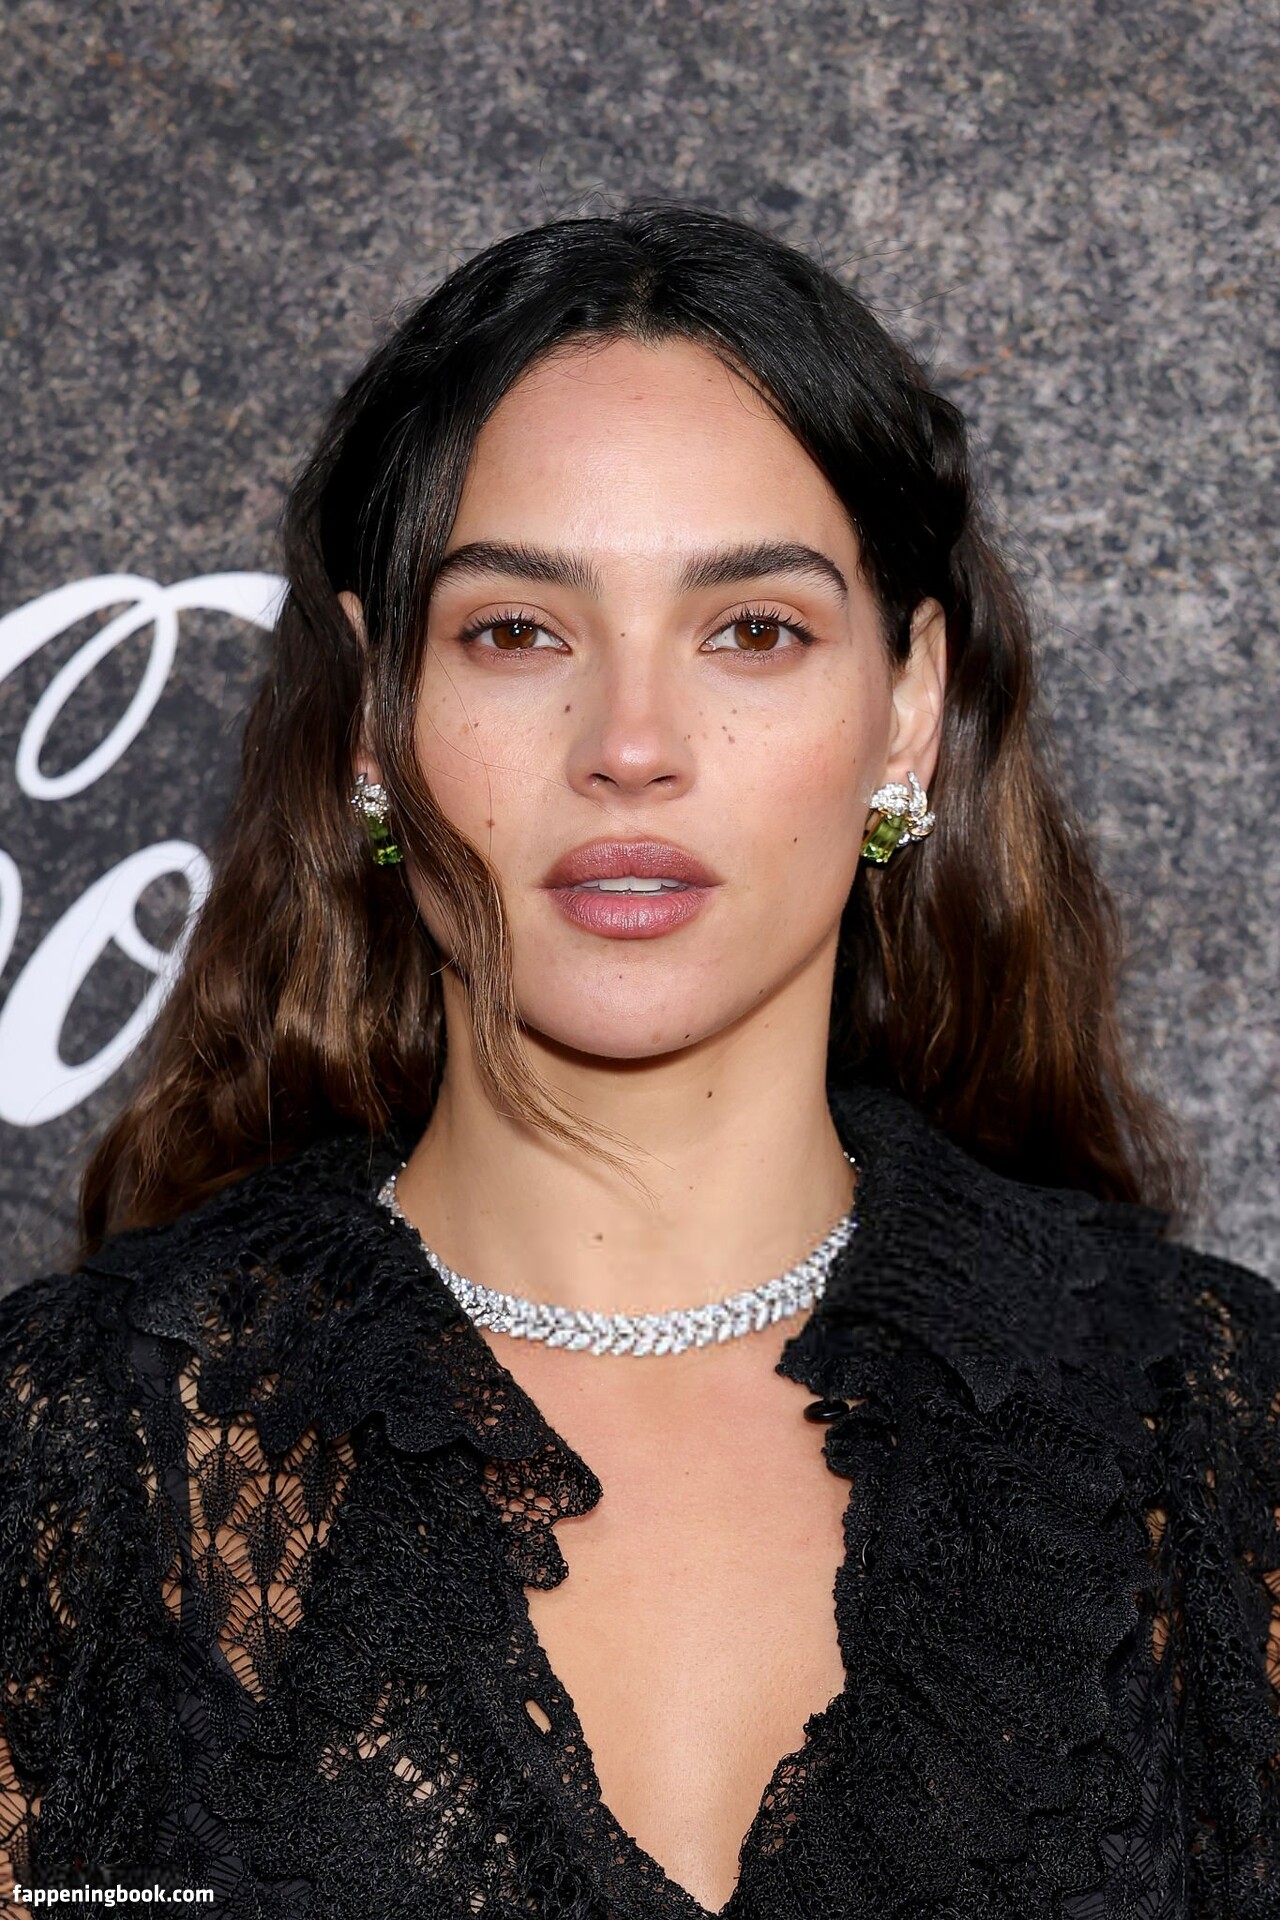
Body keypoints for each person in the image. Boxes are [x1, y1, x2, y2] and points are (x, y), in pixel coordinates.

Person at [1, 203, 1276, 1920]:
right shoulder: (71, 1452)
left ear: (909, 708)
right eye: (516, 632)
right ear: (374, 713)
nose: (630, 746)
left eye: (753, 629)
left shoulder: (1218, 1436)